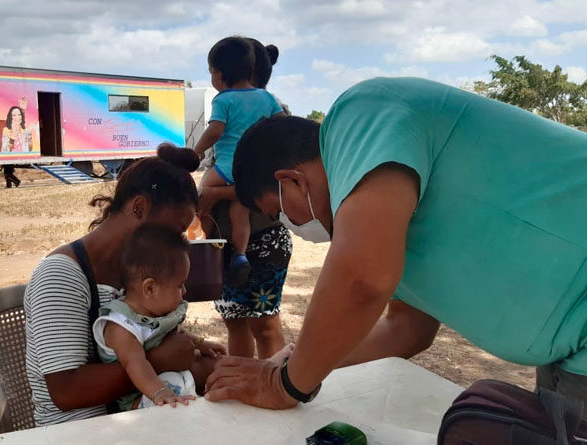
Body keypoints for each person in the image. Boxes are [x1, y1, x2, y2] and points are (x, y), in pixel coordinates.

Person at [204, 77, 587, 421]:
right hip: (570, 357)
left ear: (291, 180)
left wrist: (286, 385)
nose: (292, 225)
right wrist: (296, 360)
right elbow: (406, 330)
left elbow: (361, 281)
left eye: (279, 212)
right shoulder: (391, 224)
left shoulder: (362, 111)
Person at [24, 142, 217, 427]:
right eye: (173, 230)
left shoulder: (135, 271)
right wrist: (158, 361)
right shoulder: (61, 276)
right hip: (80, 430)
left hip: (137, 416)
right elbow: (65, 391)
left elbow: (142, 332)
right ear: (138, 208)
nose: (177, 243)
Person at [200, 38, 293, 360]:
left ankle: (274, 387)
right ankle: (245, 386)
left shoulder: (271, 112)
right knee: (235, 324)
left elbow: (278, 186)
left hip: (263, 239)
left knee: (265, 327)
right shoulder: (251, 104)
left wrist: (213, 194)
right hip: (222, 243)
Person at [93, 223, 226, 410]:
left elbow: (173, 331)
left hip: (170, 380)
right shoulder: (121, 325)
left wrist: (200, 343)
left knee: (219, 369)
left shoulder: (153, 312)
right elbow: (135, 363)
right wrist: (158, 392)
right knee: (181, 399)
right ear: (150, 288)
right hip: (141, 396)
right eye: (180, 285)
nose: (185, 291)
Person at [193, 36, 285, 288]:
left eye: (211, 72)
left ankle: (200, 237)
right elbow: (281, 123)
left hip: (227, 166)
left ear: (220, 75)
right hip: (251, 169)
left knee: (203, 193)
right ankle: (240, 255)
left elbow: (215, 131)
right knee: (239, 211)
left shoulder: (223, 99)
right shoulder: (266, 98)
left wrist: (197, 152)